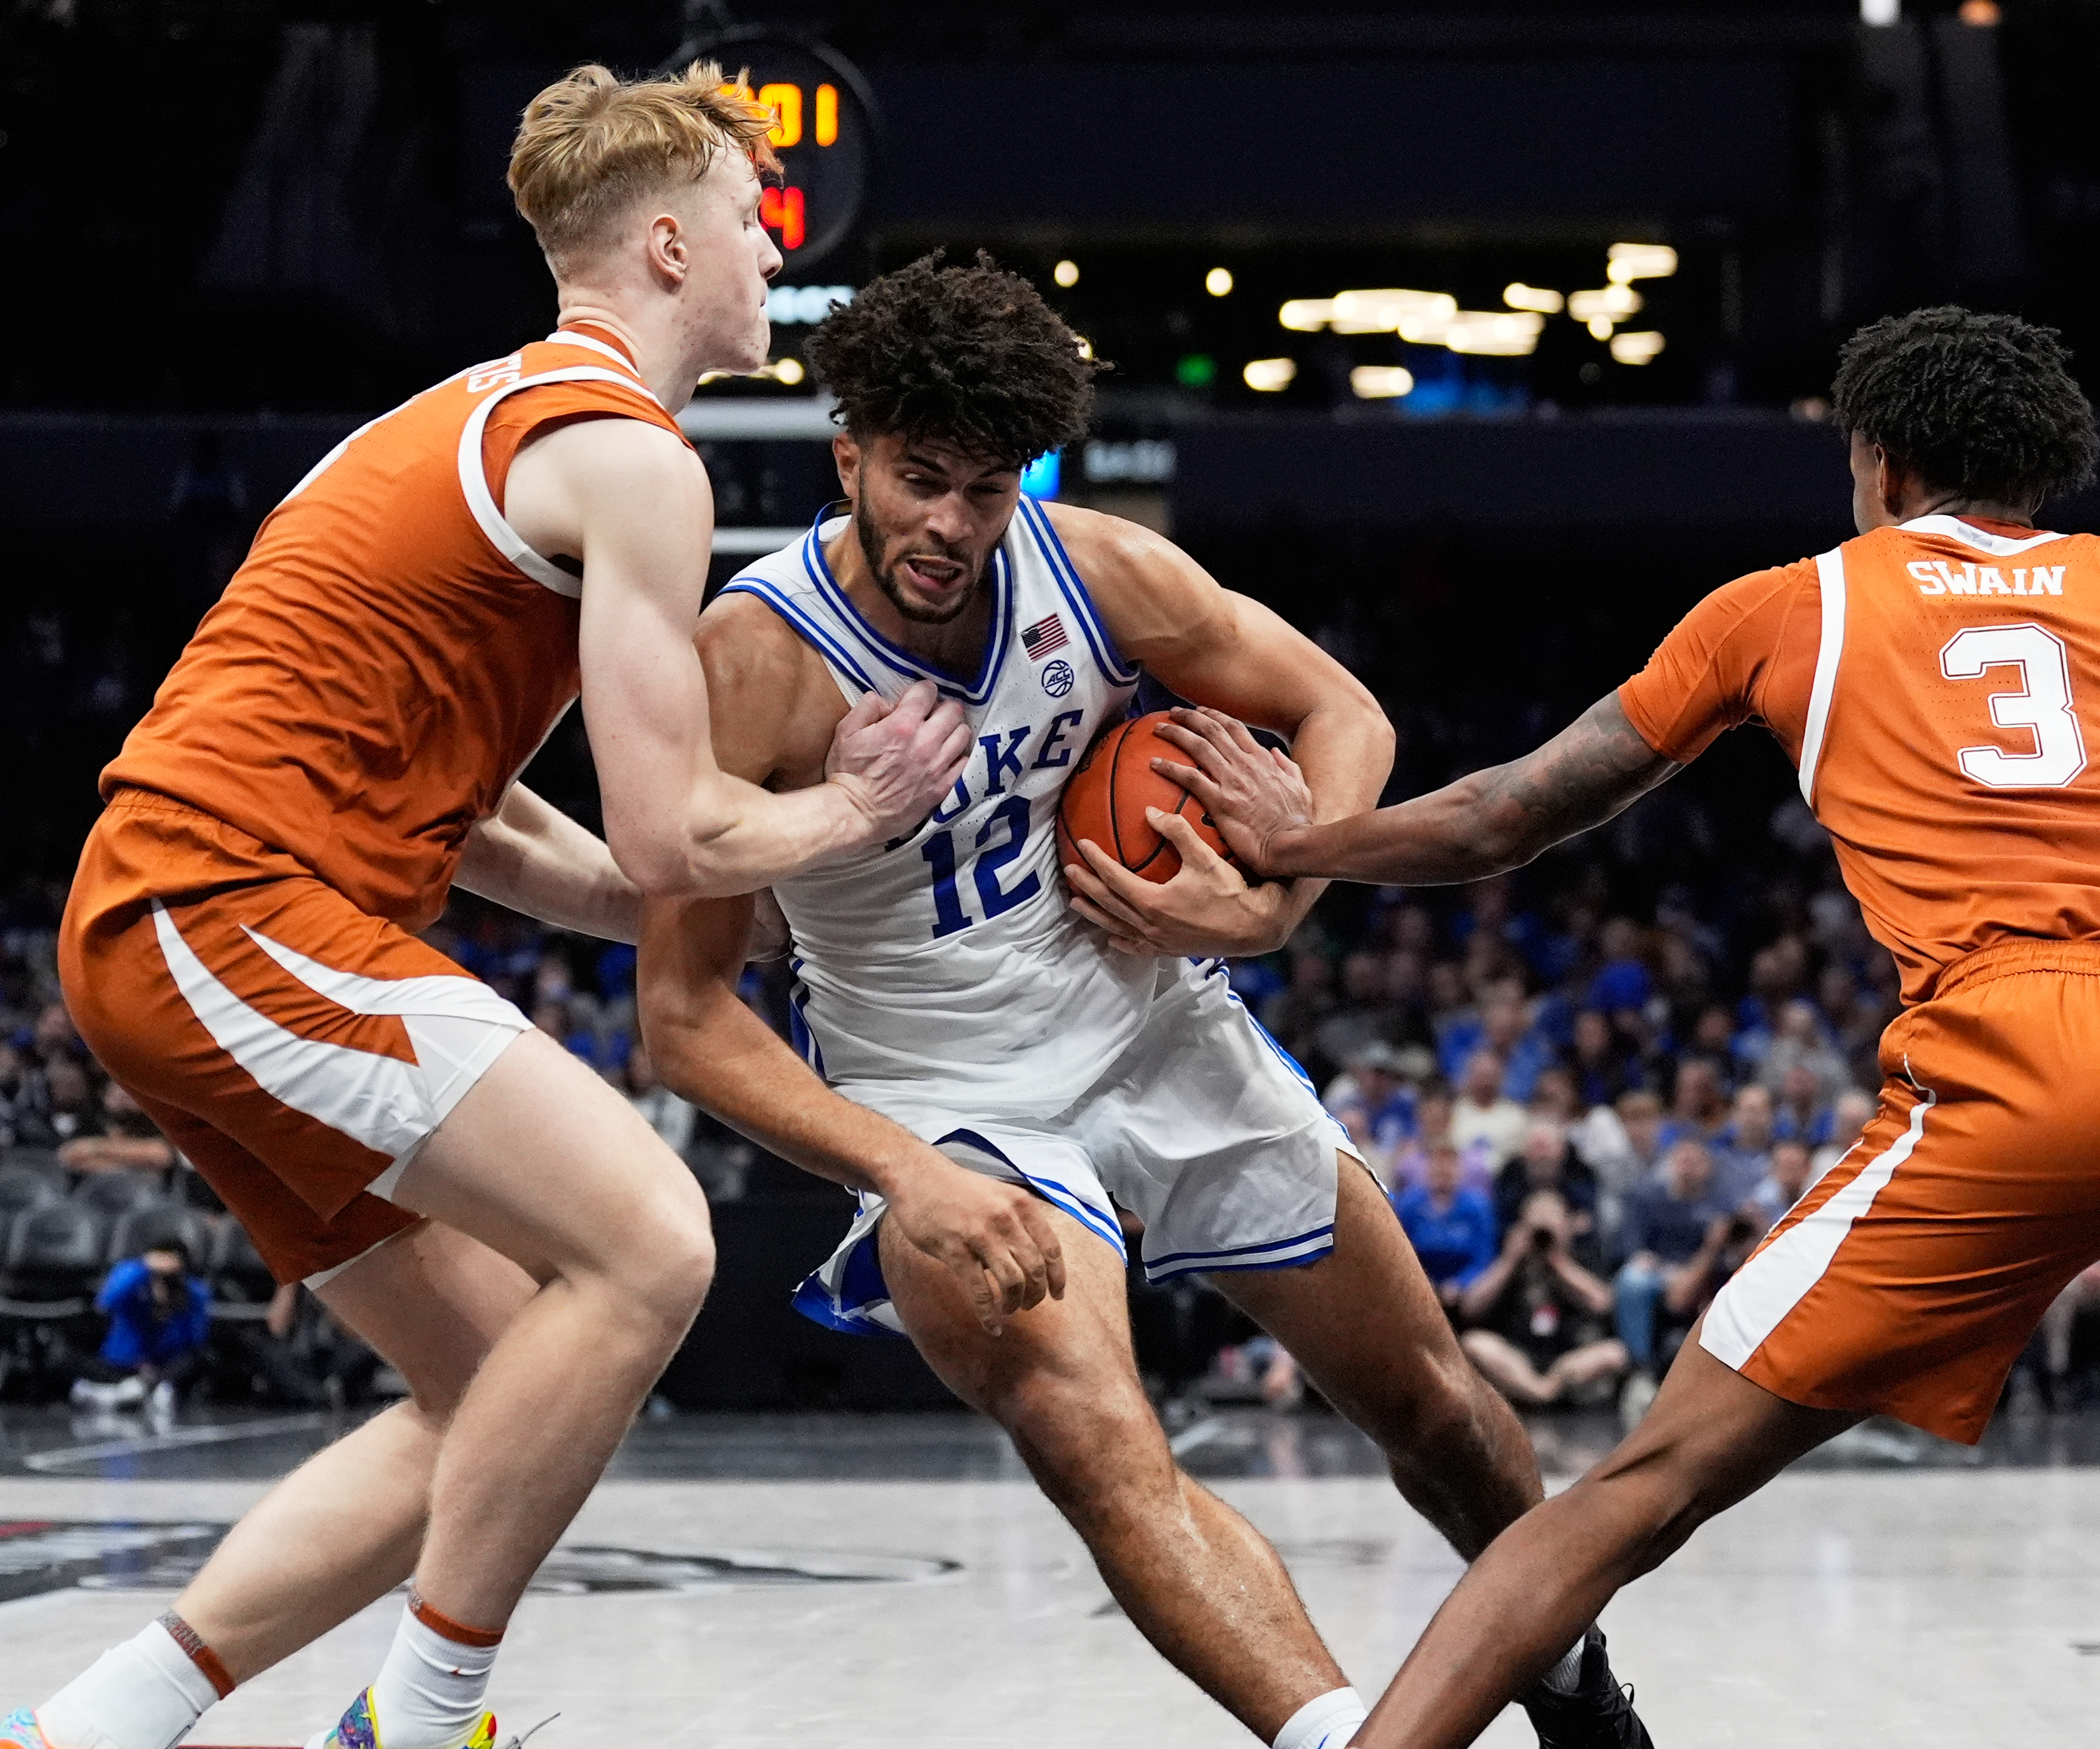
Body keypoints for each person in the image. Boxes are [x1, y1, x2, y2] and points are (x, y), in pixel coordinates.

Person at [1158, 303, 2100, 1744]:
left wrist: (1301, 844)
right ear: (2042, 471)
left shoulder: (1796, 604)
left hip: (2018, 1066)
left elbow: (1506, 815)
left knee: (1632, 1494)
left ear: (1883, 464)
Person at [8, 64, 988, 1749]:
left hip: (183, 916)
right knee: (655, 1236)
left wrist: (718, 896)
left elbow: (485, 827)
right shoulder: (632, 458)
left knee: (491, 1387)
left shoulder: (470, 415)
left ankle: (91, 1725)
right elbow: (674, 833)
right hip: (230, 902)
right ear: (672, 246)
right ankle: (428, 1718)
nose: (774, 266)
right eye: (755, 232)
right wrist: (856, 806)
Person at [633, 255, 1648, 1749]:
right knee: (1105, 1445)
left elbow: (1341, 710)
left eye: (986, 490)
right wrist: (902, 1169)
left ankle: (1580, 1698)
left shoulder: (1098, 570)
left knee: (1435, 1405)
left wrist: (1283, 888)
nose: (950, 525)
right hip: (948, 1101)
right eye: (919, 478)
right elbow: (685, 1016)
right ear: (847, 452)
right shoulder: (750, 662)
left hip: (1163, 1026)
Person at [1457, 1189, 1628, 1408]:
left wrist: (1558, 1264)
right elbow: (1470, 1307)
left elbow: (1603, 1303)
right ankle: (1544, 1393)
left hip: (1568, 1357)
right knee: (1475, 1344)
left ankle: (1536, 1393)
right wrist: (1509, 1261)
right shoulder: (1510, 1261)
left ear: (1566, 1226)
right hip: (1518, 1357)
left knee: (1614, 1354)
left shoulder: (1582, 1256)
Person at [1610, 1140, 1728, 1381]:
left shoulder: (1718, 1206)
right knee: (1632, 1281)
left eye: (1695, 1163)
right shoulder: (1647, 1198)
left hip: (1701, 1272)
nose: (1688, 1168)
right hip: (1658, 1271)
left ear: (1707, 1168)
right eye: (1683, 1161)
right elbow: (1631, 1243)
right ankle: (1638, 1362)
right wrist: (1642, 1257)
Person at [71, 1240, 213, 1422]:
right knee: (69, 1357)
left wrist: (177, 1305)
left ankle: (134, 1391)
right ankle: (129, 1391)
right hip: (123, 1364)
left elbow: (197, 1339)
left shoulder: (194, 1293)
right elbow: (106, 1302)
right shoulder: (134, 1282)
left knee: (200, 1358)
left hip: (164, 1367)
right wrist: (143, 1269)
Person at [1398, 1143, 1501, 1304]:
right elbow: (1402, 1252)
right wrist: (1422, 1282)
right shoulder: (1409, 1204)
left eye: (1449, 1166)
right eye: (1437, 1165)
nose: (1443, 1171)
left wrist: (1461, 1284)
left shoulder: (1478, 1206)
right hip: (1419, 1283)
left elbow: (1484, 1257)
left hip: (1466, 1291)